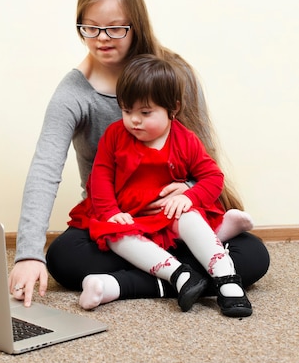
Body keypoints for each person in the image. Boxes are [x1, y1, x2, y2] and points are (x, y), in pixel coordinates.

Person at [8, 0, 269, 307]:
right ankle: (197, 278)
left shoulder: (175, 75)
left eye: (115, 28)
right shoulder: (73, 94)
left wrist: (189, 191)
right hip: (119, 223)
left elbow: (204, 161)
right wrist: (28, 254)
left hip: (174, 220)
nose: (102, 38)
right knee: (63, 257)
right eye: (90, 28)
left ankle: (124, 285)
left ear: (136, 25)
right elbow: (45, 169)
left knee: (255, 255)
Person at [76, 54, 252, 316]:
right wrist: (111, 212)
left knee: (190, 218)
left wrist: (189, 197)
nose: (134, 120)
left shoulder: (185, 140)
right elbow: (100, 178)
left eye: (146, 113)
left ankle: (226, 277)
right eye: (127, 110)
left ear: (173, 109)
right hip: (131, 218)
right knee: (112, 236)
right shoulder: (115, 135)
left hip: (170, 216)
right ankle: (179, 275)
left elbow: (213, 177)